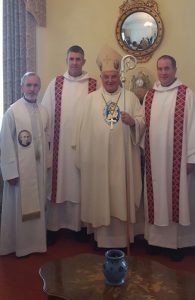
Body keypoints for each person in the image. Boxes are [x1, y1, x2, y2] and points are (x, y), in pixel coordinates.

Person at [72, 45, 144, 249]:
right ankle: (101, 239)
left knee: (121, 197)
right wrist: (84, 156)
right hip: (98, 163)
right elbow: (81, 133)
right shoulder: (90, 101)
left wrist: (133, 123)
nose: (110, 80)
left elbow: (142, 123)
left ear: (119, 76)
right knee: (101, 196)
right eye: (106, 77)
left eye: (113, 76)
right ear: (101, 77)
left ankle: (123, 240)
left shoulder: (130, 97)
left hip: (123, 161)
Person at [143, 55, 195, 261]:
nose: (163, 73)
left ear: (175, 69)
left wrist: (192, 158)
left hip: (178, 163)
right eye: (160, 69)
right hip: (154, 161)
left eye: (167, 68)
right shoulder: (149, 95)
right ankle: (155, 241)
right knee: (156, 199)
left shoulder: (185, 94)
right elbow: (141, 125)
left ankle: (178, 244)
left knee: (178, 200)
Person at [42, 45, 97, 244]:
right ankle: (54, 226)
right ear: (66, 61)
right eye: (71, 59)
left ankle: (79, 227)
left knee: (79, 184)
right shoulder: (56, 84)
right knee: (57, 183)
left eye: (78, 59)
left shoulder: (93, 85)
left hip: (83, 146)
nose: (74, 63)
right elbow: (45, 113)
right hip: (59, 145)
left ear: (84, 61)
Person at [0, 72, 49, 257]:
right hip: (20, 170)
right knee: (18, 206)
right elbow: (5, 143)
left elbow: (46, 140)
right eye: (28, 85)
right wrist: (10, 171)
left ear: (39, 88)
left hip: (38, 168)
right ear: (22, 87)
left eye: (35, 85)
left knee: (38, 205)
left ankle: (36, 244)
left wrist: (47, 164)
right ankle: (19, 246)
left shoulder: (43, 111)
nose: (32, 89)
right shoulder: (12, 112)